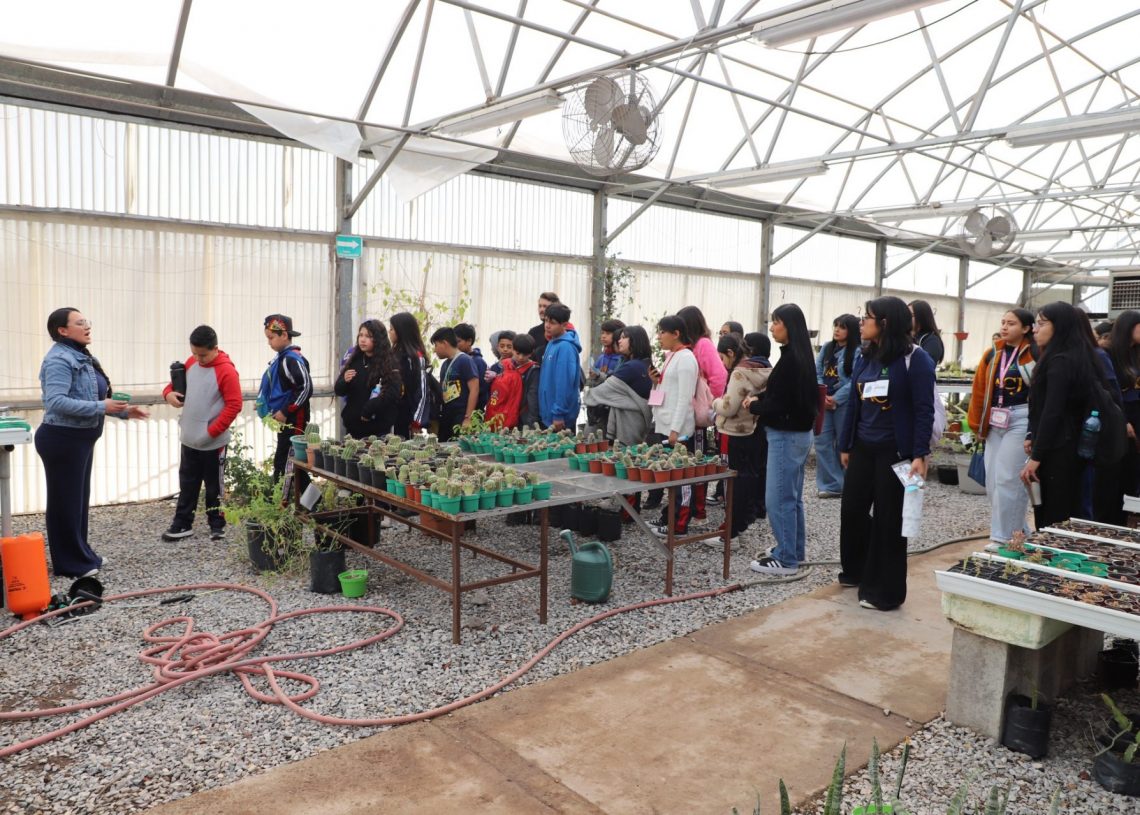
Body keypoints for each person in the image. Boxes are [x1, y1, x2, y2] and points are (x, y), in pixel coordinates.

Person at [35, 308, 149, 577]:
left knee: (77, 502)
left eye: (87, 322)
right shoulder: (59, 360)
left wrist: (123, 411)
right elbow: (56, 401)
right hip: (62, 440)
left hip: (80, 440)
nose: (87, 326)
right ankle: (69, 564)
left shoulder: (81, 356)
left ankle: (82, 554)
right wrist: (102, 406)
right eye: (80, 323)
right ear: (63, 330)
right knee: (65, 503)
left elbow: (91, 398)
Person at [839, 296, 935, 611]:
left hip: (896, 452)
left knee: (889, 519)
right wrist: (846, 444)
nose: (861, 322)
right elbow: (855, 404)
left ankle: (886, 591)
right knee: (852, 510)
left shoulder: (915, 359)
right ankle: (858, 570)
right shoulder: (865, 356)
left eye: (867, 317)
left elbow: (924, 410)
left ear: (885, 322)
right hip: (863, 447)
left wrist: (920, 453)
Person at [1021, 302, 1112, 528]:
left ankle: (1049, 549)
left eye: (1042, 324)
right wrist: (1032, 435)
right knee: (1063, 511)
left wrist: (1036, 458)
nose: (1035, 329)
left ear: (1059, 327)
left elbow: (1053, 412)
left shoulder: (1060, 361)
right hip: (1069, 446)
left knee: (1054, 515)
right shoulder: (1074, 356)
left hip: (1060, 448)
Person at [745, 304, 818, 576]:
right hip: (797, 435)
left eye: (777, 322)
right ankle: (793, 550)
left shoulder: (791, 361)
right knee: (792, 498)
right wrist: (761, 398)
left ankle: (786, 560)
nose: (772, 327)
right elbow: (782, 395)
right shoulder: (798, 356)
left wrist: (754, 406)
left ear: (790, 326)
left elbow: (780, 405)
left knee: (778, 499)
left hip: (786, 436)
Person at [161, 324, 242, 542]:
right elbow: (172, 387)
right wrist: (168, 395)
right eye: (194, 353)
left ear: (215, 348)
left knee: (214, 485)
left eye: (203, 355)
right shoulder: (191, 363)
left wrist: (211, 432)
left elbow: (234, 405)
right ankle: (182, 523)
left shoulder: (226, 371)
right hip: (189, 438)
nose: (198, 359)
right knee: (187, 483)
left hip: (213, 442)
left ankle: (217, 524)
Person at [966, 309, 1036, 546]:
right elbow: (979, 390)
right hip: (995, 420)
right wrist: (977, 424)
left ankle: (1003, 538)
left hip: (1021, 417)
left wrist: (1034, 430)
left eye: (1012, 323)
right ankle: (1019, 530)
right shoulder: (992, 353)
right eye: (1003, 322)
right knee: (993, 482)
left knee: (1009, 479)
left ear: (1026, 328)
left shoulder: (1033, 352)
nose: (1005, 327)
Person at [712, 333, 771, 537]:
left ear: (731, 353)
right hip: (756, 429)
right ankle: (748, 515)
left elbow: (728, 408)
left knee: (736, 480)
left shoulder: (740, 372)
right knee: (751, 476)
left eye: (722, 358)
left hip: (737, 431)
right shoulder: (765, 368)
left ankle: (733, 528)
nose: (722, 363)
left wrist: (715, 402)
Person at [648, 315, 699, 536]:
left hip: (676, 430)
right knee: (672, 476)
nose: (659, 337)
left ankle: (679, 523)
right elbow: (667, 390)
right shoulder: (672, 356)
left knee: (681, 478)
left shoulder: (686, 358)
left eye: (662, 332)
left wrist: (675, 430)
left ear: (676, 333)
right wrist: (655, 383)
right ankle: (669, 516)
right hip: (665, 424)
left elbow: (685, 398)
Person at [677, 305, 727, 522]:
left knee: (696, 460)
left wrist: (708, 403)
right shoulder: (688, 348)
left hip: (698, 416)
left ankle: (698, 511)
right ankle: (688, 509)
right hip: (687, 412)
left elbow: (719, 375)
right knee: (687, 459)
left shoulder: (703, 345)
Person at [257, 314, 312, 482]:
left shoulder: (291, 359)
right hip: (286, 420)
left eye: (271, 338)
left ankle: (287, 495)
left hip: (295, 420)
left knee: (288, 463)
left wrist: (285, 411)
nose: (269, 342)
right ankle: (307, 498)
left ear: (285, 335)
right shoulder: (281, 358)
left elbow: (305, 387)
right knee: (288, 462)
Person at [815, 314, 861, 498]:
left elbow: (856, 380)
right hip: (824, 401)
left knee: (844, 442)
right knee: (822, 441)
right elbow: (817, 372)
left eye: (842, 327)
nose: (837, 330)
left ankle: (847, 483)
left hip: (844, 403)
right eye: (835, 326)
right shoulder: (827, 347)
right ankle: (832, 484)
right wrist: (822, 395)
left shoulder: (857, 351)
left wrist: (836, 398)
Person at [583, 325, 653, 446]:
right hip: (638, 421)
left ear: (635, 341)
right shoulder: (646, 363)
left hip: (628, 424)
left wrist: (587, 397)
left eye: (624, 338)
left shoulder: (631, 367)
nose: (619, 341)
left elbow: (603, 391)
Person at [335, 319, 402, 439]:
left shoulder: (388, 363)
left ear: (378, 339)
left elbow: (392, 394)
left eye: (368, 336)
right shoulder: (355, 359)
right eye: (361, 335)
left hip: (377, 432)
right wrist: (344, 381)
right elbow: (339, 390)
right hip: (353, 430)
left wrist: (369, 409)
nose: (362, 339)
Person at [1111, 311, 1140, 506]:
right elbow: (1108, 393)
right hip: (1120, 416)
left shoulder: (1136, 354)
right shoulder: (1108, 354)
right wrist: (1123, 420)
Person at [538, 303, 582, 430]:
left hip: (559, 418)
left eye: (552, 322)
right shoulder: (552, 343)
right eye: (546, 320)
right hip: (550, 414)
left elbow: (564, 383)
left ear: (564, 325)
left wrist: (559, 413)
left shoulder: (565, 347)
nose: (547, 325)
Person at [430, 326, 479, 442]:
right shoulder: (445, 364)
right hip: (447, 414)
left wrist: (468, 418)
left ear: (444, 343)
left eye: (436, 345)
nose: (434, 350)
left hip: (460, 415)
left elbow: (474, 389)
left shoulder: (465, 360)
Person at [389, 312, 430, 439]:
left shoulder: (415, 357)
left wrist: (417, 421)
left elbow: (422, 391)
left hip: (408, 417)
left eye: (392, 329)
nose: (389, 332)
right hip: (392, 414)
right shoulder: (392, 353)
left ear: (401, 331)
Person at [454, 323, 489, 410]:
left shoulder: (478, 362)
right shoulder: (454, 360)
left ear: (469, 341)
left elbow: (481, 390)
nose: (455, 345)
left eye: (458, 341)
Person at [512, 333, 541, 428]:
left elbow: (533, 397)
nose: (521, 357)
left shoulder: (534, 371)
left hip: (524, 418)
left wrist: (532, 421)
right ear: (513, 349)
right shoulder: (507, 366)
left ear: (531, 353)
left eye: (525, 354)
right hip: (509, 412)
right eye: (518, 353)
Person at [908, 300, 944, 367]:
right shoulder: (907, 337)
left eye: (911, 315)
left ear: (922, 317)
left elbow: (923, 365)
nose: (906, 318)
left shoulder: (932, 341)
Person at [527, 292, 560, 360]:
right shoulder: (533, 332)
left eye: (545, 306)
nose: (541, 310)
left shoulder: (564, 332)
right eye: (540, 306)